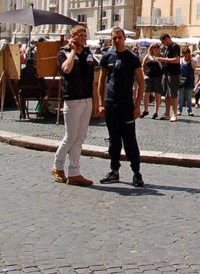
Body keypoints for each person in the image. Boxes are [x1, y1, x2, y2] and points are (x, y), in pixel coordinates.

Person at [98, 27, 145, 188]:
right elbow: (101, 81)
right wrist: (99, 103)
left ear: (124, 38)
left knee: (130, 141)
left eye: (119, 37)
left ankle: (136, 172)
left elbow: (141, 83)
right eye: (114, 38)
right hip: (111, 104)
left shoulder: (132, 58)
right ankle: (114, 171)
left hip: (126, 106)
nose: (116, 40)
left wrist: (138, 105)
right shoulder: (106, 57)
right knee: (114, 141)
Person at [51, 25, 97, 186]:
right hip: (72, 99)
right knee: (70, 136)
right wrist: (72, 52)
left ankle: (74, 172)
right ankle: (57, 166)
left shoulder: (88, 53)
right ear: (73, 36)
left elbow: (93, 79)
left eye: (85, 35)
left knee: (80, 137)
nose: (84, 38)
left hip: (86, 99)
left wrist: (96, 101)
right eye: (81, 36)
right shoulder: (63, 53)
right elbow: (66, 69)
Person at [158, 33, 181, 121]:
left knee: (173, 94)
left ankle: (174, 114)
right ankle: (167, 113)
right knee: (167, 94)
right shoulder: (167, 48)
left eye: (164, 42)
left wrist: (164, 59)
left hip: (173, 74)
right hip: (166, 73)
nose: (164, 44)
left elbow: (176, 60)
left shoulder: (175, 46)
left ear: (167, 39)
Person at [142, 42, 164, 119]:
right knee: (146, 94)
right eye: (154, 47)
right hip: (148, 77)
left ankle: (156, 112)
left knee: (157, 95)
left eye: (157, 47)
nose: (156, 49)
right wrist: (143, 74)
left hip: (158, 77)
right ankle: (145, 110)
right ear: (151, 48)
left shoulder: (161, 57)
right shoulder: (147, 56)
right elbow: (143, 65)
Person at [177, 47, 195, 117]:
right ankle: (179, 110)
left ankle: (189, 110)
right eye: (185, 53)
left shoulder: (193, 60)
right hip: (181, 81)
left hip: (189, 80)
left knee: (188, 97)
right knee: (180, 97)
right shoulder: (180, 60)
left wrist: (191, 59)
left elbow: (194, 68)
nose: (186, 55)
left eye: (187, 53)